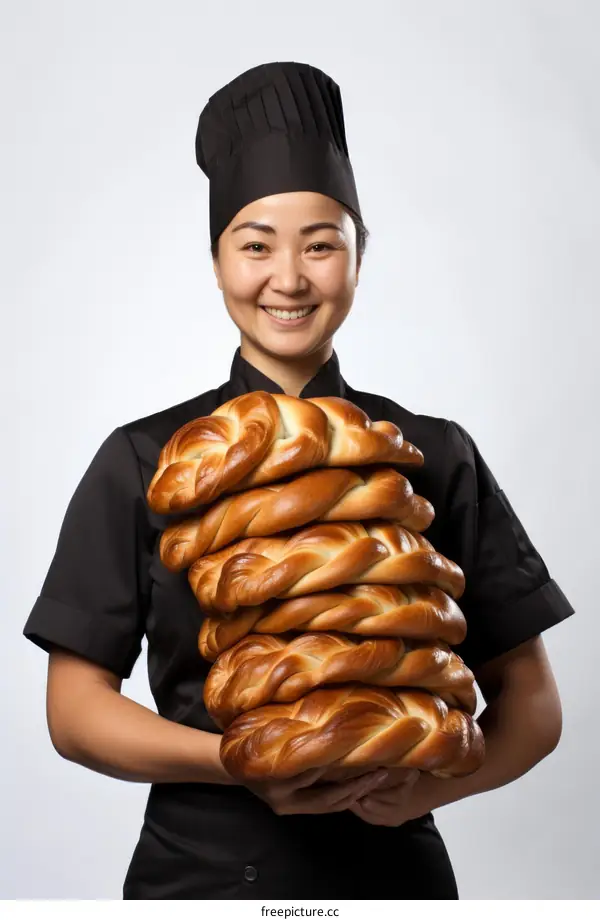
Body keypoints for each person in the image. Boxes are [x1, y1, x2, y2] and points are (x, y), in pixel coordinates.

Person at [23, 61, 575, 900]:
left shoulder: (431, 454)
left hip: (394, 883)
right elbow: (74, 710)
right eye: (255, 245)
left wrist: (432, 788)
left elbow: (531, 706)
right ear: (216, 262)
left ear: (360, 257)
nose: (288, 278)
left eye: (322, 244)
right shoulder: (144, 459)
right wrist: (237, 761)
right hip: (196, 883)